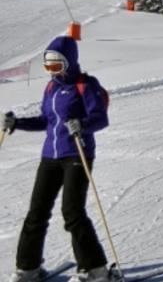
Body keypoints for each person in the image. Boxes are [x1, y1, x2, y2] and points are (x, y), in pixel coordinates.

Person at [3, 36, 120, 282]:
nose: (52, 72)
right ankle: (28, 268)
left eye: (56, 66)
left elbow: (100, 118)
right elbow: (47, 121)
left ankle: (95, 269)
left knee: (72, 212)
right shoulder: (51, 88)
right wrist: (18, 124)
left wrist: (82, 125)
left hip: (78, 153)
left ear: (69, 63)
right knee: (37, 212)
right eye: (48, 67)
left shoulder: (86, 85)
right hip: (50, 156)